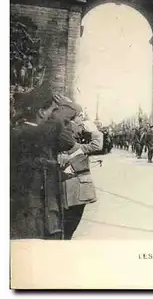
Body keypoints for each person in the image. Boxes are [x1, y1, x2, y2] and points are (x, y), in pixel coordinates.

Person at [11, 84, 76, 240]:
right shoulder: (25, 132)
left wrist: (60, 109)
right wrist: (66, 108)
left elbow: (68, 142)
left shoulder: (40, 132)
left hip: (44, 207)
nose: (54, 116)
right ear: (41, 112)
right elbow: (59, 124)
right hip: (31, 212)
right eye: (52, 112)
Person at [58, 105, 102, 240]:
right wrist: (94, 130)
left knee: (63, 227)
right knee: (70, 226)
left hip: (62, 190)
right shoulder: (78, 147)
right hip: (77, 191)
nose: (81, 124)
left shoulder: (62, 145)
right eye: (79, 120)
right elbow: (97, 145)